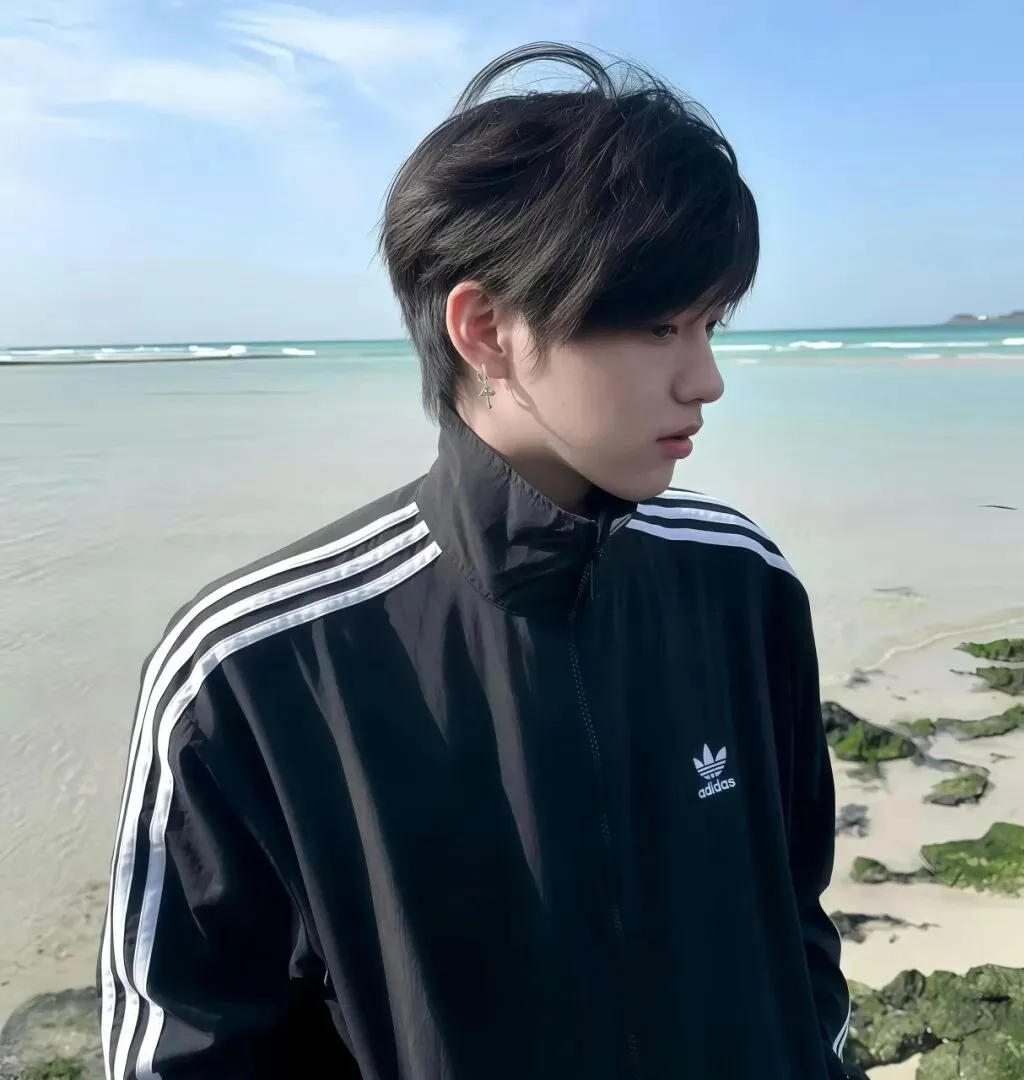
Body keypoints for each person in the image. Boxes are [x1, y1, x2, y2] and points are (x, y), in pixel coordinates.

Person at [98, 41, 852, 1080]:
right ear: (486, 329)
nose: (706, 378)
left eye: (710, 323)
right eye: (659, 326)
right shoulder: (258, 667)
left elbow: (796, 912)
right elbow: (187, 1047)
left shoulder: (739, 585)